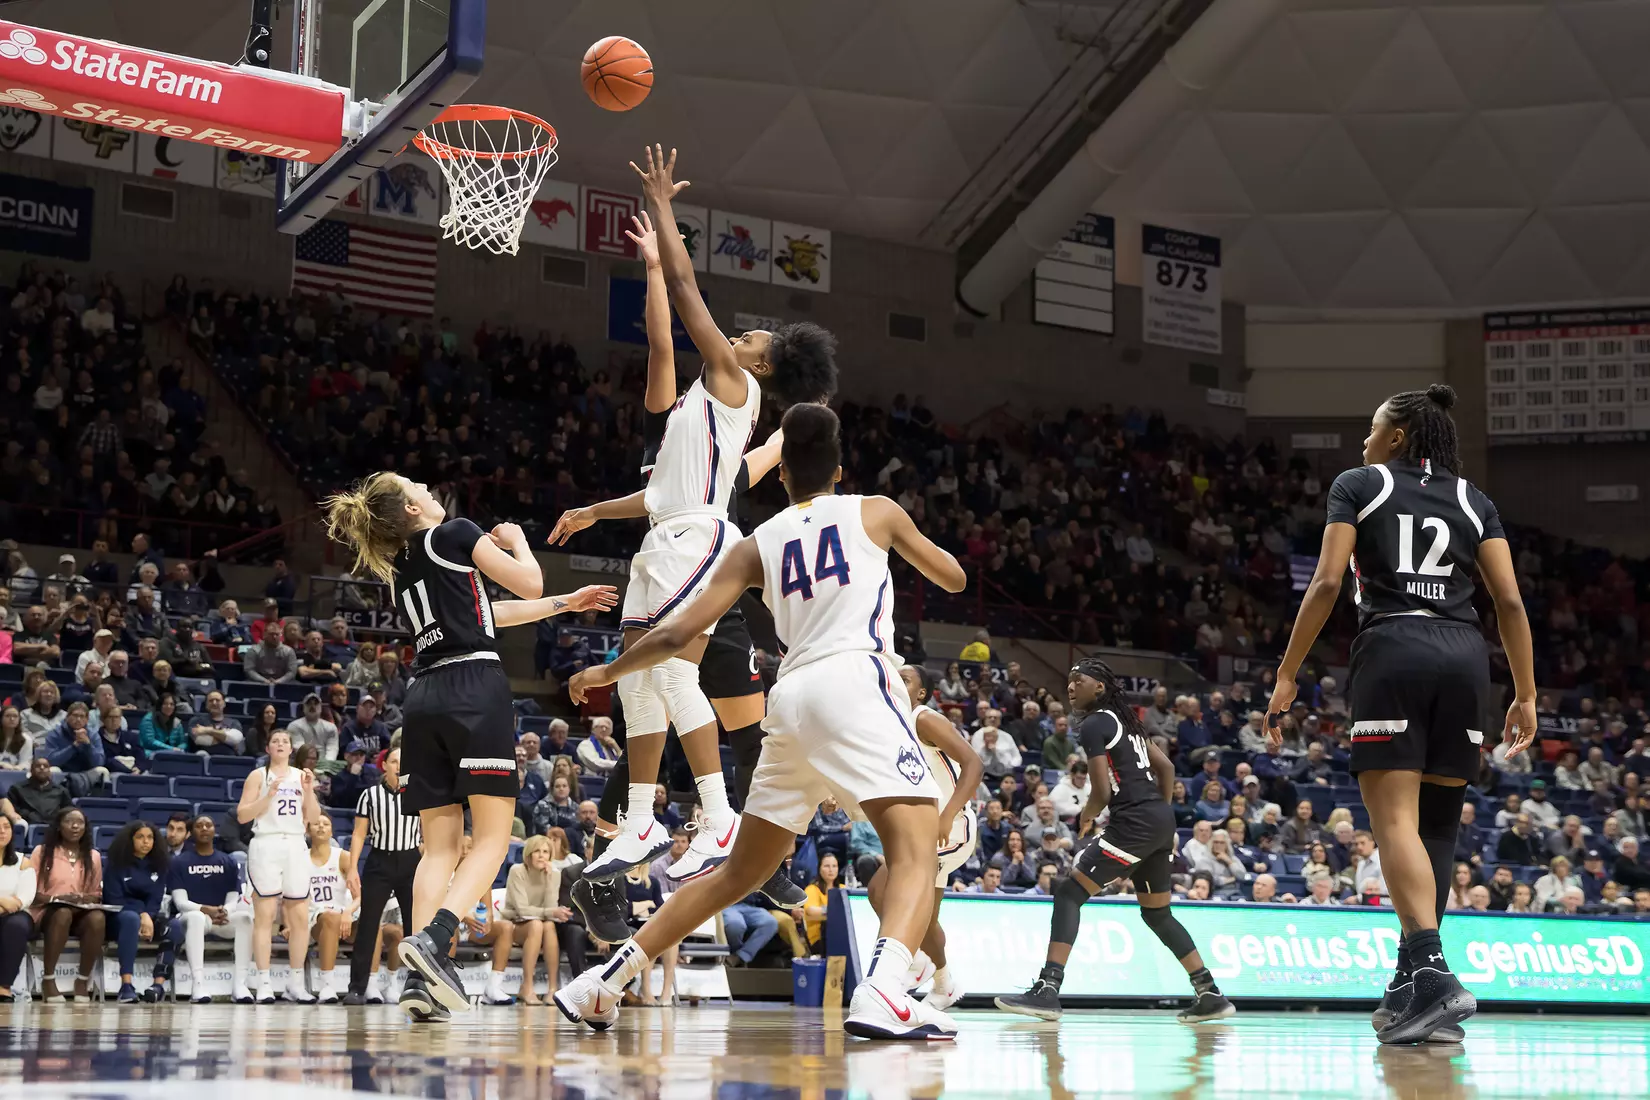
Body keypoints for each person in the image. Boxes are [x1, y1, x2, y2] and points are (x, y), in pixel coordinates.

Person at [556, 402, 965, 1040]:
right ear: (839, 467)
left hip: (791, 695)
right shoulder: (876, 510)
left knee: (740, 871)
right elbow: (955, 578)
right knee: (916, 851)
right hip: (856, 678)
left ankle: (601, 982)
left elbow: (678, 629)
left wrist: (604, 674)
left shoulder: (756, 543)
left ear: (782, 477)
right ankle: (886, 992)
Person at [550, 194, 836, 892]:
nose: (734, 340)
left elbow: (687, 299)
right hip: (662, 536)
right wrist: (650, 266)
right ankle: (644, 818)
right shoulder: (693, 406)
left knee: (673, 673)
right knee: (642, 682)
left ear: (760, 367)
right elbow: (659, 345)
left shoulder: (735, 384)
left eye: (748, 343)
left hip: (701, 539)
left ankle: (719, 819)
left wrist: (661, 226)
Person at [1266, 384, 1535, 1046]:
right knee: (1437, 828)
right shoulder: (1478, 501)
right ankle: (1413, 981)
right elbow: (1509, 602)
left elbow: (1328, 582)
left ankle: (1432, 970)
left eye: (1371, 427)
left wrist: (1287, 671)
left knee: (1393, 825)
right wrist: (1526, 693)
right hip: (1467, 657)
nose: (1363, 438)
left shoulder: (1360, 483)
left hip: (1396, 648)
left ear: (1395, 438)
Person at [324, 472, 616, 1020]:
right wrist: (516, 542)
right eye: (417, 485)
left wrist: (564, 602)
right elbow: (525, 583)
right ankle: (436, 937)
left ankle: (420, 980)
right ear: (411, 508)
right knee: (492, 836)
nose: (428, 487)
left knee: (437, 848)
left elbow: (486, 615)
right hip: (474, 687)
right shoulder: (456, 532)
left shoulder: (401, 571)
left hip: (423, 696)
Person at [996, 658, 1235, 1024]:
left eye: (1079, 680)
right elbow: (1167, 768)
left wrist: (1086, 815)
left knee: (1068, 893)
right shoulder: (1128, 722)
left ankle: (1047, 989)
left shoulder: (1094, 723)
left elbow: (1102, 790)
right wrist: (1159, 815)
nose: (1071, 686)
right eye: (1070, 681)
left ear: (1100, 688)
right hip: (1158, 821)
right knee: (1156, 913)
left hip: (1134, 823)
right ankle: (1210, 993)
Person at [861, 664, 983, 1009]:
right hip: (923, 831)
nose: (896, 682)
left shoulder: (922, 718)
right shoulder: (890, 728)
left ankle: (911, 961)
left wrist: (948, 815)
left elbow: (974, 763)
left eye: (906, 679)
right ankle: (943, 982)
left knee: (884, 889)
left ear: (921, 693)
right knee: (924, 917)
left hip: (950, 829)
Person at [236, 729, 320, 1003]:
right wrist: (268, 795)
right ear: (268, 748)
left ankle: (295, 983)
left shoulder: (302, 776)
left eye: (285, 741)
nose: (281, 744)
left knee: (299, 917)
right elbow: (242, 815)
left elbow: (315, 817)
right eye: (275, 741)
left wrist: (308, 791)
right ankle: (263, 983)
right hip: (266, 843)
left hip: (295, 843)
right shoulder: (258, 776)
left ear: (292, 748)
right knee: (266, 915)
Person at [344, 746, 422, 1005]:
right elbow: (358, 834)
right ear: (384, 765)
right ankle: (357, 988)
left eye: (404, 762)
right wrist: (353, 867)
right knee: (367, 926)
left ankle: (417, 985)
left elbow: (429, 832)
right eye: (394, 761)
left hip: (411, 861)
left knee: (414, 927)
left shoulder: (418, 793)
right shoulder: (370, 795)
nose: (399, 766)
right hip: (379, 860)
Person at [166, 814, 254, 1002]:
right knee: (196, 918)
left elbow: (233, 896)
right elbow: (181, 902)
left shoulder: (228, 862)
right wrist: (207, 910)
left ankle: (240, 985)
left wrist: (226, 911)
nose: (205, 828)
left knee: (246, 919)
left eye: (209, 825)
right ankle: (198, 985)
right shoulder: (179, 862)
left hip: (220, 918)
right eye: (199, 826)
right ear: (191, 833)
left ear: (215, 830)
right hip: (191, 917)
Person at [29, 806, 105, 1002]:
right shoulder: (42, 852)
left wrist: (89, 899)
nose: (75, 826)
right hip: (47, 911)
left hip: (79, 913)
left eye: (80, 822)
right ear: (58, 826)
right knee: (62, 913)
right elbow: (31, 892)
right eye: (69, 822)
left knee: (97, 918)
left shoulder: (93, 856)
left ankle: (82, 980)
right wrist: (58, 898)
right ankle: (48, 979)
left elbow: (96, 893)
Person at [103, 821, 174, 1003]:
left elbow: (156, 898)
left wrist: (148, 917)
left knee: (176, 927)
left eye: (150, 837)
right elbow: (114, 899)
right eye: (140, 837)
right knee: (130, 918)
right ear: (130, 840)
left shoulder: (159, 865)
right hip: (118, 918)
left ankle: (157, 986)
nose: (146, 842)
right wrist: (143, 914)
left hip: (147, 917)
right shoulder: (116, 864)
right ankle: (126, 986)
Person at [502, 833, 570, 1004]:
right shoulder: (517, 871)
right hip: (515, 924)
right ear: (529, 854)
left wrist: (549, 880)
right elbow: (522, 910)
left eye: (546, 852)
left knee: (547, 926)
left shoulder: (554, 874)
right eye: (537, 851)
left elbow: (550, 906)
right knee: (537, 925)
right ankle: (527, 986)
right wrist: (550, 912)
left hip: (539, 923)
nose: (541, 855)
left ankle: (553, 989)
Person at [304, 815, 354, 1003]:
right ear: (308, 831)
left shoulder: (342, 856)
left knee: (373, 926)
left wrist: (348, 912)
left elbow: (360, 895)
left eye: (326, 824)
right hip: (313, 918)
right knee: (330, 917)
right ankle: (327, 985)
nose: (321, 827)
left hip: (343, 916)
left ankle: (373, 986)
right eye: (316, 824)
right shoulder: (301, 858)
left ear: (332, 831)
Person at [0, 816, 36, 1002]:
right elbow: (10, 900)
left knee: (16, 925)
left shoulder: (23, 862)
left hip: (15, 914)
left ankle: (4, 987)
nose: (2, 831)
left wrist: (7, 905)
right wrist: (2, 900)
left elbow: (24, 898)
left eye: (6, 827)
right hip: (5, 908)